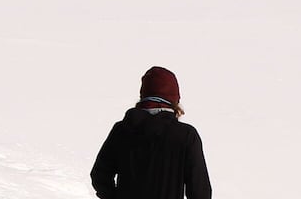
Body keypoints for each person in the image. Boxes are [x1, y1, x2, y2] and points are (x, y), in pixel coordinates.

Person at [90, 66, 212, 199]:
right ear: (175, 100)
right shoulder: (186, 136)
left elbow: (100, 175)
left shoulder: (122, 130)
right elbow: (200, 191)